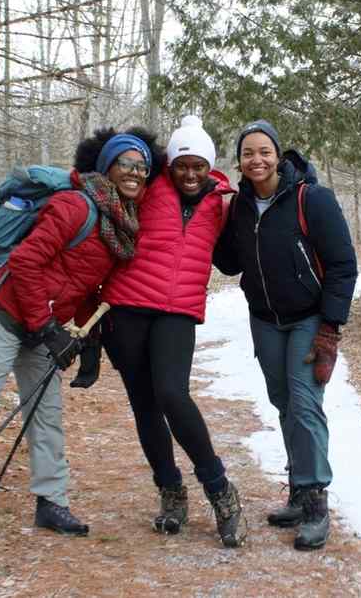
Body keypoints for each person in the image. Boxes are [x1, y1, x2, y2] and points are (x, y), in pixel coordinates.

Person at [0, 129, 153, 560]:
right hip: (5, 312)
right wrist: (47, 328)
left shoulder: (120, 222)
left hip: (43, 321)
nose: (135, 172)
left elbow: (85, 285)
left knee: (47, 414)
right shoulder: (75, 205)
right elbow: (25, 262)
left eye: (142, 167)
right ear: (107, 167)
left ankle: (51, 502)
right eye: (126, 163)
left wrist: (88, 344)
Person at [97, 115, 248, 548]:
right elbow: (102, 198)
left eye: (198, 164)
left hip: (178, 310)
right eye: (182, 164)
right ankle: (170, 493)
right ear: (170, 164)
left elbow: (239, 251)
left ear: (209, 165)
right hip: (125, 307)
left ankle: (220, 491)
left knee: (172, 394)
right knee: (144, 404)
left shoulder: (222, 201)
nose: (190, 173)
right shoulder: (148, 188)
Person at [213, 119, 357, 551]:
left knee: (304, 401)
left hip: (309, 317)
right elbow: (230, 264)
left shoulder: (311, 199)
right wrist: (218, 215)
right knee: (284, 403)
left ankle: (315, 501)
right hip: (265, 319)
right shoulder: (239, 206)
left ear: (278, 155)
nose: (256, 160)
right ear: (239, 161)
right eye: (247, 153)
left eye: (264, 152)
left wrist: (330, 329)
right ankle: (298, 490)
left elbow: (343, 265)